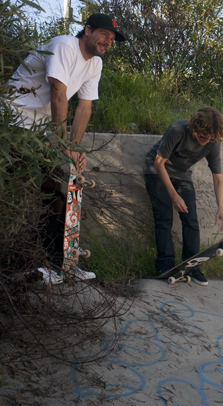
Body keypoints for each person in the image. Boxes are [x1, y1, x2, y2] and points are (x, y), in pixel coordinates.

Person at [6, 13, 126, 282]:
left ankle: (60, 264)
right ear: (88, 30)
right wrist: (63, 145)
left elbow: (84, 107)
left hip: (34, 133)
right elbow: (58, 94)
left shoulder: (94, 63)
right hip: (12, 127)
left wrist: (75, 148)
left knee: (54, 195)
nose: (108, 41)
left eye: (112, 38)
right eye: (105, 34)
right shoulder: (64, 46)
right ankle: (40, 265)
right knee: (33, 194)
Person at [144, 107, 223, 286]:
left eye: (210, 138)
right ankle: (165, 264)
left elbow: (218, 178)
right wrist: (173, 196)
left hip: (181, 175)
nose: (205, 142)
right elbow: (159, 163)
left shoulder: (212, 142)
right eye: (202, 137)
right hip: (156, 171)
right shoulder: (177, 130)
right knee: (164, 218)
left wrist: (220, 207)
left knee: (191, 220)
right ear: (194, 127)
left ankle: (192, 266)